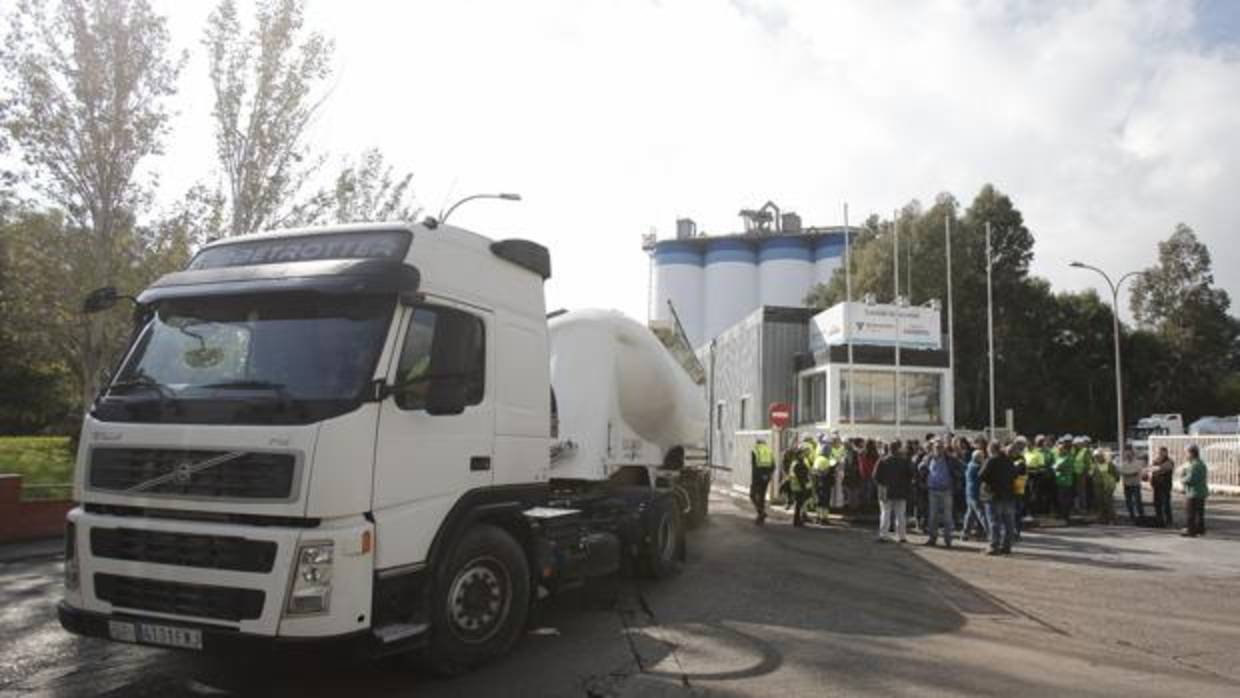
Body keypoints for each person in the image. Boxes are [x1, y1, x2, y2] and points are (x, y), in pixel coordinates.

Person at [979, 441, 1018, 555]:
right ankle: (1006, 546)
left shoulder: (991, 460)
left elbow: (981, 475)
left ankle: (994, 546)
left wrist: (991, 482)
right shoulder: (1009, 460)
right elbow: (1015, 475)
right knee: (1008, 523)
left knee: (994, 522)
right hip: (1008, 495)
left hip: (993, 495)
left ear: (990, 449)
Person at [920, 440, 960, 547]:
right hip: (933, 490)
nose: (938, 449)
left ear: (944, 448)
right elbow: (920, 468)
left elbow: (959, 470)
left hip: (946, 490)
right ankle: (932, 538)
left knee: (947, 516)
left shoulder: (950, 459)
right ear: (933, 448)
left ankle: (948, 539)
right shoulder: (929, 458)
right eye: (937, 447)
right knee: (933, 516)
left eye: (940, 447)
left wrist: (955, 481)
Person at [874, 440, 914, 543]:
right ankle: (902, 536)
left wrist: (882, 485)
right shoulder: (904, 461)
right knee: (901, 515)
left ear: (889, 449)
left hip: (885, 491)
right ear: (898, 449)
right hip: (901, 491)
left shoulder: (882, 461)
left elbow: (875, 476)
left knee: (885, 514)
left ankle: (883, 535)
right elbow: (910, 475)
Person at [1180, 445, 1208, 537]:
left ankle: (1191, 531)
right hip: (1201, 492)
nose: (1186, 455)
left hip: (1193, 492)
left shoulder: (1194, 465)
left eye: (1187, 453)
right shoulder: (1201, 463)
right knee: (1200, 513)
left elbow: (1190, 479)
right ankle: (1200, 529)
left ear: (1192, 453)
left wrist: (1182, 479)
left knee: (1190, 513)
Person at [1145, 446, 1175, 528]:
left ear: (1166, 453)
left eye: (1163, 452)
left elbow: (1164, 468)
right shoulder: (1156, 460)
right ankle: (1159, 520)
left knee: (1166, 504)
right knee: (1157, 504)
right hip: (1157, 486)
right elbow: (1151, 470)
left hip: (1165, 486)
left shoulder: (1169, 461)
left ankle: (1169, 520)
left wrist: (1154, 468)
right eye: (1160, 452)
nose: (1161, 454)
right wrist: (1151, 478)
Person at [962, 449, 988, 542]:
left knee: (970, 514)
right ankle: (990, 533)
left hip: (970, 493)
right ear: (978, 458)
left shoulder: (970, 465)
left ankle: (965, 533)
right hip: (975, 493)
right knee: (982, 514)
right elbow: (982, 477)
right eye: (982, 457)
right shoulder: (976, 467)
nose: (983, 458)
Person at [749, 437, 776, 525]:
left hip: (757, 477)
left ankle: (761, 512)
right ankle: (761, 517)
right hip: (766, 477)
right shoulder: (769, 451)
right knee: (762, 496)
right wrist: (768, 475)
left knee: (753, 495)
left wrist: (760, 475)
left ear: (757, 443)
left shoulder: (755, 450)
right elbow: (773, 466)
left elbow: (755, 467)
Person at [787, 443, 812, 527]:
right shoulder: (798, 463)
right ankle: (797, 520)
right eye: (802, 454)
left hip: (796, 485)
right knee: (799, 504)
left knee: (799, 504)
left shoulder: (796, 462)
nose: (804, 455)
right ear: (799, 455)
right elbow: (801, 476)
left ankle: (797, 520)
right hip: (799, 486)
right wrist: (804, 485)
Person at [1092, 448, 1119, 525]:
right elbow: (1092, 474)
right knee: (1100, 502)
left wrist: (1112, 482)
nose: (1097, 458)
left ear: (1102, 456)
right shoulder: (1095, 465)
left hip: (1108, 486)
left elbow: (1116, 475)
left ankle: (1113, 519)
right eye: (1095, 457)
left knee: (1108, 502)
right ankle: (1103, 519)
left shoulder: (1109, 464)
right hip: (1098, 486)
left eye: (1098, 456)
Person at [1052, 438, 1076, 524]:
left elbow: (1061, 468)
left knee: (1065, 499)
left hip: (1066, 481)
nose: (1059, 451)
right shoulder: (1060, 457)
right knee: (1061, 499)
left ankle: (1066, 515)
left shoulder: (1068, 457)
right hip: (1060, 481)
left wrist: (1057, 468)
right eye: (1059, 449)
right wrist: (1056, 468)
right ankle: (1063, 514)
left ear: (1065, 450)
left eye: (1061, 449)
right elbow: (1055, 467)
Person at [1119, 446, 1145, 524]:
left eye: (1129, 454)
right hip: (1127, 485)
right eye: (1126, 454)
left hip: (1135, 485)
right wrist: (1129, 473)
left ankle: (1141, 517)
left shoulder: (1138, 463)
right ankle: (1132, 517)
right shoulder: (1124, 464)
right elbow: (1121, 472)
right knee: (1128, 502)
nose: (1128, 456)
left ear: (1133, 454)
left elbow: (1136, 472)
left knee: (1138, 501)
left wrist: (1128, 473)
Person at [811, 446, 833, 525]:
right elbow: (826, 472)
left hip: (817, 482)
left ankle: (818, 517)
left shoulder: (817, 459)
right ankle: (824, 518)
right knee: (825, 501)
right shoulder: (826, 460)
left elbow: (813, 471)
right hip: (825, 483)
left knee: (818, 500)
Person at [859, 439, 880, 513]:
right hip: (871, 474)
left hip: (863, 474)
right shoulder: (874, 453)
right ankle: (868, 507)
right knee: (870, 491)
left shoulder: (862, 453)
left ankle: (864, 507)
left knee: (865, 491)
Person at [1072, 436, 1093, 513]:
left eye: (1076, 444)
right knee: (1076, 491)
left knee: (1082, 491)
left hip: (1082, 474)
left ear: (1080, 444)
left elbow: (1088, 463)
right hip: (1075, 473)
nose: (1075, 446)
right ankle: (1077, 507)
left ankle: (1083, 507)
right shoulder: (1074, 451)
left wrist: (1086, 471)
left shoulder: (1084, 451)